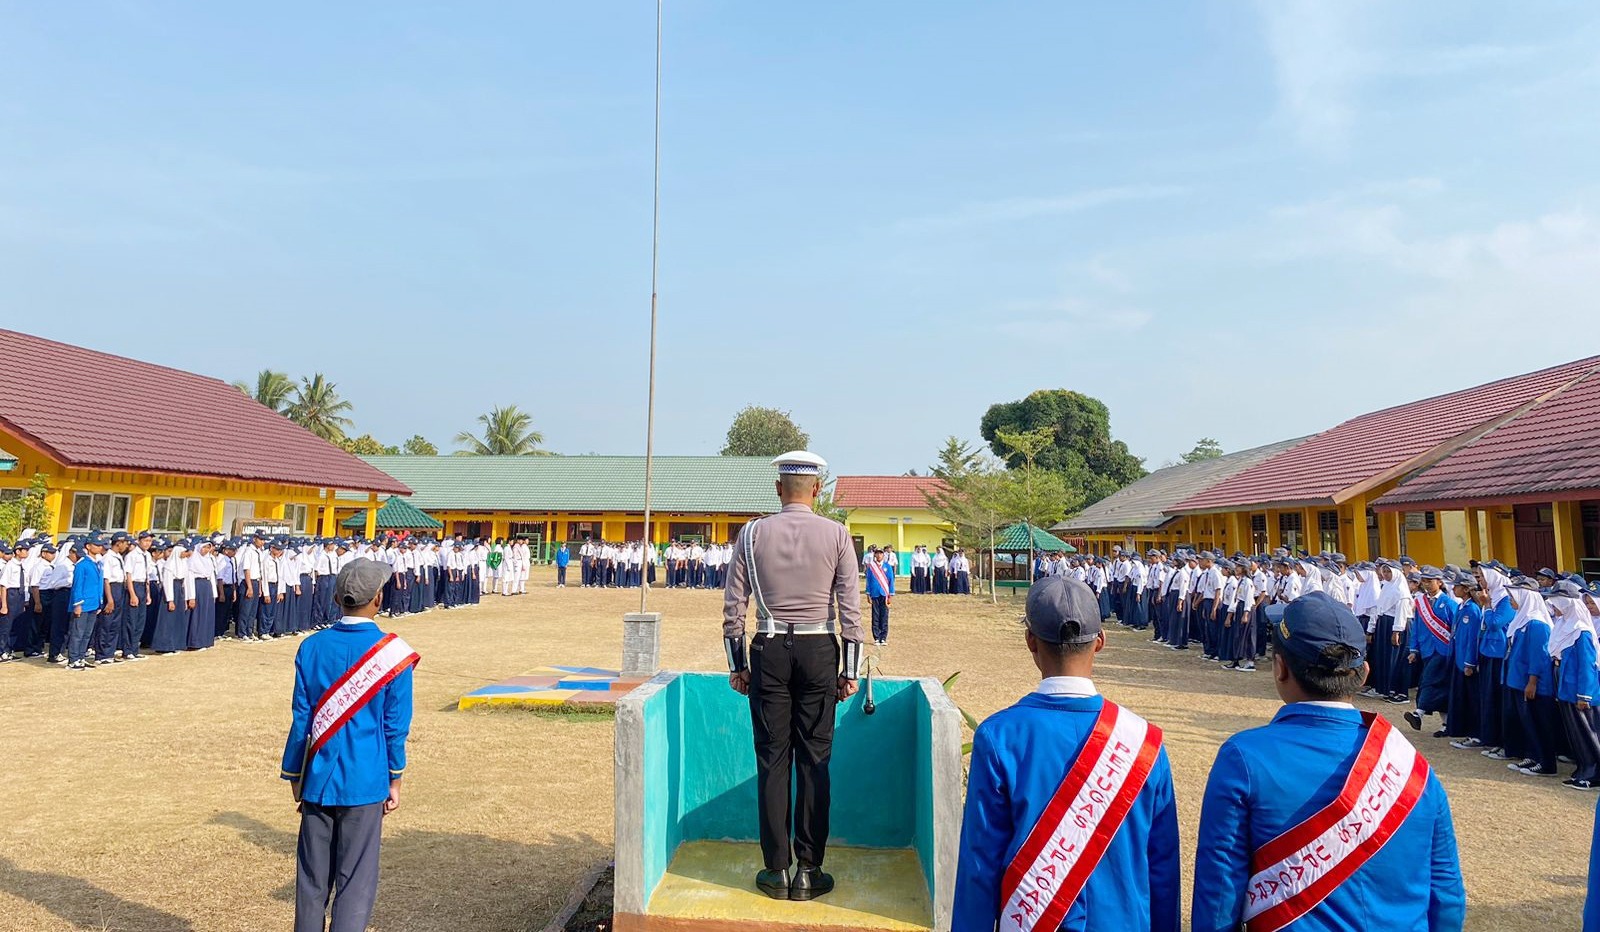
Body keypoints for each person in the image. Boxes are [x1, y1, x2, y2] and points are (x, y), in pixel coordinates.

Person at [1191, 591, 1465, 931]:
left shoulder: (1244, 758)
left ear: (1279, 668)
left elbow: (1218, 896)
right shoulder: (1412, 767)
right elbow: (1447, 896)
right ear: (1363, 673)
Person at [953, 575, 1180, 932]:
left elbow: (979, 866)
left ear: (1030, 641)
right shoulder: (1144, 742)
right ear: (1101, 642)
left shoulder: (999, 736)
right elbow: (1163, 869)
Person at [722, 450, 862, 902]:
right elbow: (850, 611)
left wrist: (737, 665)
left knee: (772, 760)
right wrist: (851, 671)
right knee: (815, 759)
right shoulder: (838, 535)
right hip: (819, 648)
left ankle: (775, 870)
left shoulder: (752, 534)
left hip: (768, 649)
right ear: (817, 490)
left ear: (778, 488)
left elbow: (733, 608)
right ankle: (809, 870)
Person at [281, 557, 419, 932]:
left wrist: (294, 773)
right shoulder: (393, 655)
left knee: (311, 880)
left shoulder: (311, 647)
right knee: (355, 882)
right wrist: (396, 778)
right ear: (377, 599)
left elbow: (301, 718)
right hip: (365, 778)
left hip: (318, 780)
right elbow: (395, 726)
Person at [1404, 567, 1456, 735]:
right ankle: (1446, 725)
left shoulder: (1449, 603)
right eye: (1424, 581)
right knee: (1440, 687)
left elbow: (1455, 629)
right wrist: (1414, 649)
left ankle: (1418, 714)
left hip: (1444, 650)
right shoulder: (1421, 603)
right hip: (1427, 649)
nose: (1426, 584)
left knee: (1428, 680)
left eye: (1429, 581)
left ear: (1439, 582)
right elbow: (1417, 627)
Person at [65, 537, 105, 670]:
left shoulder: (97, 563)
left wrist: (100, 603)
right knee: (78, 632)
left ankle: (81, 657)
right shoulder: (82, 564)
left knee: (87, 633)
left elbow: (98, 585)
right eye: (96, 545)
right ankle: (73, 659)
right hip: (83, 603)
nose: (99, 547)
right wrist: (77, 604)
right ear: (88, 546)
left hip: (93, 603)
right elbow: (78, 586)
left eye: (100, 545)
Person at [865, 547, 894, 646]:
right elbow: (868, 581)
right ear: (874, 555)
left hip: (884, 594)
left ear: (883, 555)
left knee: (884, 616)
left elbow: (891, 581)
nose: (879, 555)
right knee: (875, 616)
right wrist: (868, 593)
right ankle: (876, 637)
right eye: (877, 553)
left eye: (881, 553)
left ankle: (883, 637)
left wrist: (891, 594)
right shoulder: (871, 567)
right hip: (875, 594)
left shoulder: (888, 567)